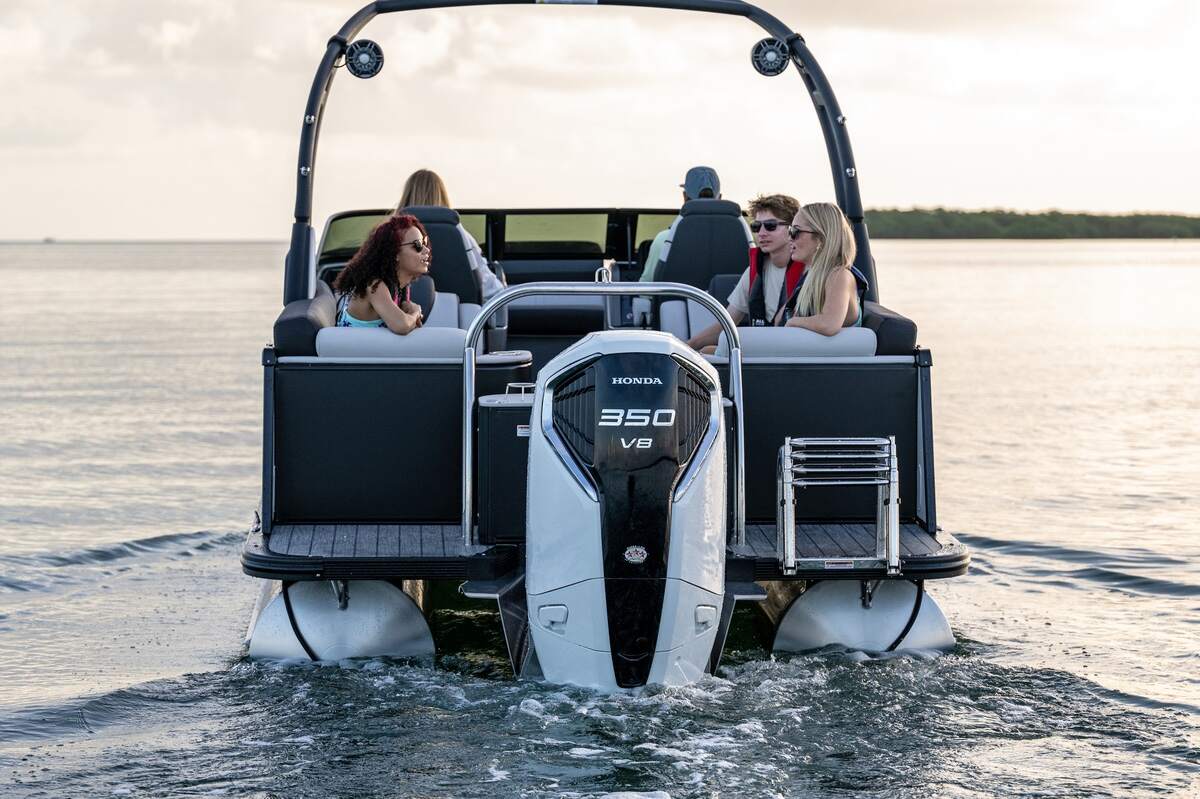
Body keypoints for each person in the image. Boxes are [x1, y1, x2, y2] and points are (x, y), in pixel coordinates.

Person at [685, 193, 804, 351]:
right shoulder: (754, 272)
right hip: (764, 350)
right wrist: (688, 345)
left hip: (795, 352)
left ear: (792, 229)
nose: (761, 233)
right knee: (704, 352)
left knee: (708, 352)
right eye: (756, 226)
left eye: (770, 226)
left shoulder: (809, 270)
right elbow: (727, 324)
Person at [396, 168, 505, 301]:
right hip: (458, 319)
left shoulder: (385, 236)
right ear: (442, 196)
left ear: (406, 197)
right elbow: (492, 290)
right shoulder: (461, 236)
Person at [640, 166, 752, 283]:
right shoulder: (741, 240)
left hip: (677, 301)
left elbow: (647, 288)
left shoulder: (664, 240)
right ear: (720, 198)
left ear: (684, 197)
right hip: (728, 302)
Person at [333, 214, 429, 334]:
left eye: (424, 242)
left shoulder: (400, 286)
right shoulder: (375, 285)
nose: (427, 250)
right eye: (418, 245)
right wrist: (416, 312)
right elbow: (401, 325)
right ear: (395, 253)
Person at [779, 202, 867, 334]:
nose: (789, 238)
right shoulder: (812, 277)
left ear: (821, 238)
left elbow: (829, 324)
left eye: (795, 232)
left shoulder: (840, 275)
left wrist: (792, 322)